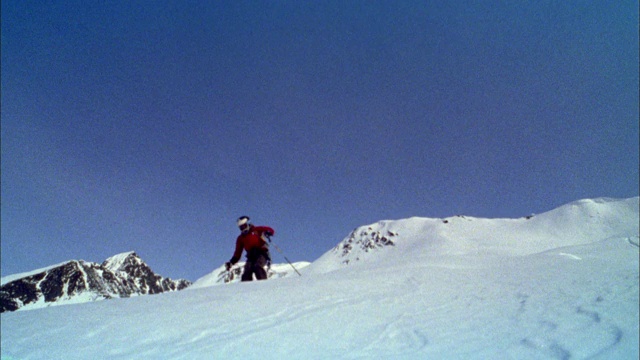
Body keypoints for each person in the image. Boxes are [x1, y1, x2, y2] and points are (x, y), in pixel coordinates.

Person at [225, 216, 275, 281]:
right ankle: (246, 289)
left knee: (257, 266)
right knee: (247, 270)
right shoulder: (241, 238)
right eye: (241, 228)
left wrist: (268, 232)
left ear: (248, 223)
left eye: (244, 226)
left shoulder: (256, 230)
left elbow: (270, 230)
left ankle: (263, 285)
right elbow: (238, 253)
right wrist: (231, 262)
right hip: (251, 256)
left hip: (262, 253)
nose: (243, 229)